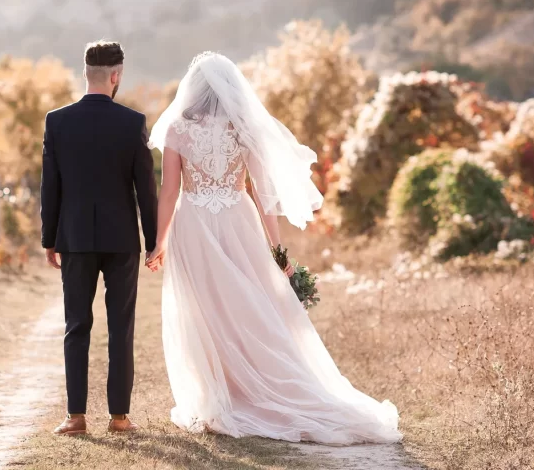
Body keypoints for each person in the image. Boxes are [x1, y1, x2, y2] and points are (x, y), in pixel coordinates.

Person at [144, 52, 402, 445]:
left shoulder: (178, 129)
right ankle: (244, 391)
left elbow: (169, 192)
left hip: (193, 222)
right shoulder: (244, 128)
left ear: (192, 89)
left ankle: (221, 397)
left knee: (205, 309)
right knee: (250, 305)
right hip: (237, 219)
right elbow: (263, 195)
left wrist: (158, 242)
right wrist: (277, 249)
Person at [40, 41, 158, 436]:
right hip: (122, 238)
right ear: (116, 76)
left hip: (73, 237)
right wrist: (154, 239)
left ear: (85, 73)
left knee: (76, 325)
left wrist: (48, 238)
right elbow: (146, 189)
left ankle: (75, 417)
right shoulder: (132, 122)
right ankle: (120, 418)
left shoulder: (56, 121)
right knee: (120, 327)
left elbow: (50, 187)